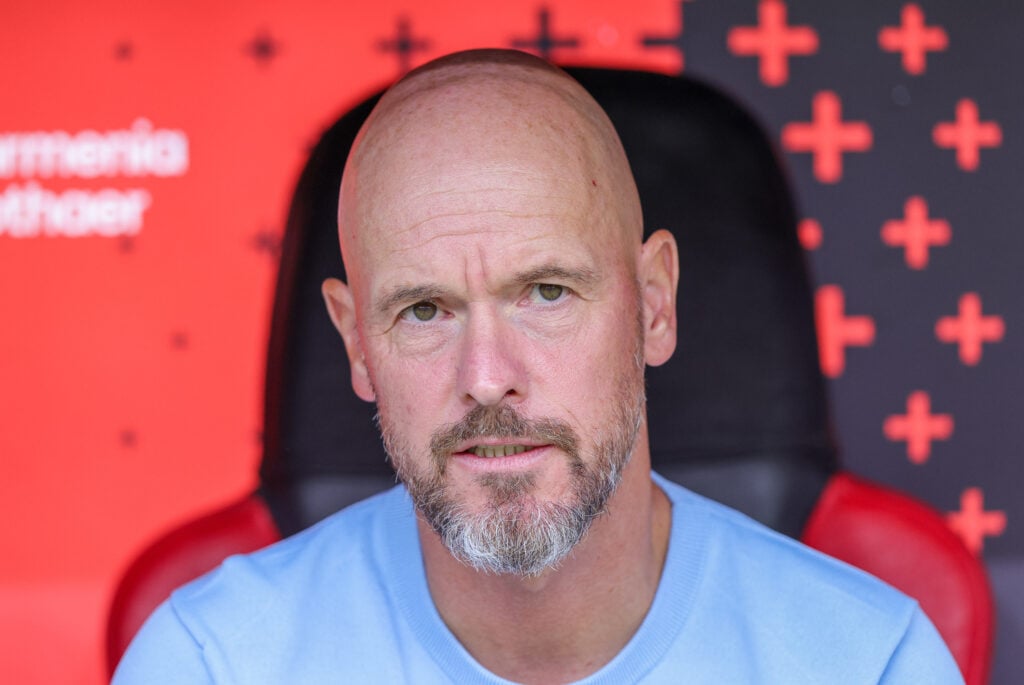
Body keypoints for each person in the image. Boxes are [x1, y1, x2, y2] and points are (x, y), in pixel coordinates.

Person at [113, 49, 964, 684]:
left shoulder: (870, 662)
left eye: (547, 292)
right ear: (356, 344)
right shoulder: (209, 664)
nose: (487, 376)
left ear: (655, 304)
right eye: (424, 310)